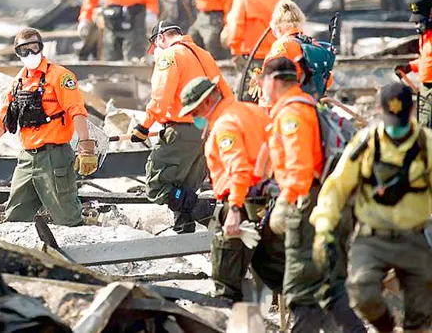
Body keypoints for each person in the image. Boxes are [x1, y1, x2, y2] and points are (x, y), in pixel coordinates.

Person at [311, 82, 432, 333]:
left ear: (410, 113)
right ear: (379, 111)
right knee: (362, 293)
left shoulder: (425, 144)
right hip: (372, 237)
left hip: (412, 236)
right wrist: (324, 227)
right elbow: (337, 186)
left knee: (420, 314)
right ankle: (386, 328)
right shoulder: (366, 143)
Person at [262, 58, 365, 333]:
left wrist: (286, 203)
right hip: (326, 202)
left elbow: (300, 167)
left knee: (301, 291)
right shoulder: (305, 104)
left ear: (272, 81)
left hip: (307, 205)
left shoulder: (292, 113)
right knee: (328, 286)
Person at [0, 28, 97, 225]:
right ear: (17, 53)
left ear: (41, 48)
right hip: (27, 159)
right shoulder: (18, 82)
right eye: (25, 50)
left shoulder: (60, 76)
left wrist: (86, 147)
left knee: (68, 218)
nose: (30, 53)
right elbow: (4, 119)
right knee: (15, 216)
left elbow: (77, 111)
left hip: (54, 158)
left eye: (34, 47)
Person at [178, 76, 284, 302]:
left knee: (225, 276)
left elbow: (238, 167)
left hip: (241, 203)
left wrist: (234, 209)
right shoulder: (252, 111)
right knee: (271, 270)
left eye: (194, 112)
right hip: (270, 200)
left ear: (206, 103)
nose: (194, 118)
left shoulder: (225, 124)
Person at [133, 22, 232, 233]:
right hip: (206, 131)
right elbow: (224, 91)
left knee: (157, 186)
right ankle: (184, 228)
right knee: (184, 187)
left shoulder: (170, 56)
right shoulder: (204, 54)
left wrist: (143, 126)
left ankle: (209, 213)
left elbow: (161, 95)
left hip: (181, 130)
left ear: (161, 38)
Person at [222, 0, 284, 100]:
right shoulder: (281, 0)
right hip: (276, 60)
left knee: (244, 100)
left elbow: (236, 24)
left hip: (251, 59)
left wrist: (235, 50)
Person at [261, 0, 332, 106]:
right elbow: (328, 79)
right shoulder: (313, 44)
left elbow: (271, 83)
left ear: (278, 27)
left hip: (286, 104)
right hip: (312, 103)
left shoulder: (282, 47)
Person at [395, 0, 432, 128]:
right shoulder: (425, 36)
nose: (418, 25)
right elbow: (427, 59)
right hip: (425, 88)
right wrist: (409, 67)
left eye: (420, 21)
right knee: (423, 125)